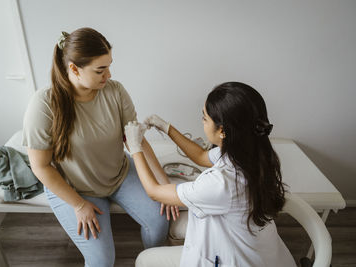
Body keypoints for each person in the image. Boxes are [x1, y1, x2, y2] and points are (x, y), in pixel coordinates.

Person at [22, 27, 179, 267]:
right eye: (100, 69)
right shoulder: (44, 104)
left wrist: (165, 186)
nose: (108, 74)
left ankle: (151, 261)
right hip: (75, 188)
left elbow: (137, 141)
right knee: (101, 261)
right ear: (74, 69)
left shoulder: (115, 91)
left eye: (109, 66)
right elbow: (41, 166)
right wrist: (78, 204)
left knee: (159, 222)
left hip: (119, 174)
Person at [125, 82, 297, 266]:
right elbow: (201, 156)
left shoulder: (220, 183)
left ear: (222, 130)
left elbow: (155, 191)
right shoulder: (252, 152)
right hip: (260, 252)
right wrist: (167, 128)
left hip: (237, 260)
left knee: (144, 259)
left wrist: (135, 148)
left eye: (204, 118)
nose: (202, 122)